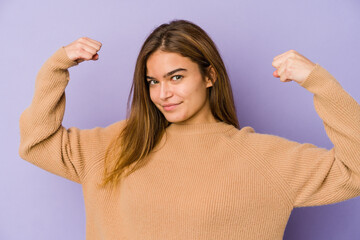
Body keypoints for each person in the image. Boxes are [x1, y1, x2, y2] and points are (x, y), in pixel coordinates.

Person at [19, 19, 360, 239]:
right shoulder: (115, 146)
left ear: (210, 76)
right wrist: (56, 67)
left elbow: (355, 171)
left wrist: (320, 83)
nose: (162, 93)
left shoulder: (264, 160)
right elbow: (37, 143)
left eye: (176, 77)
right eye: (152, 81)